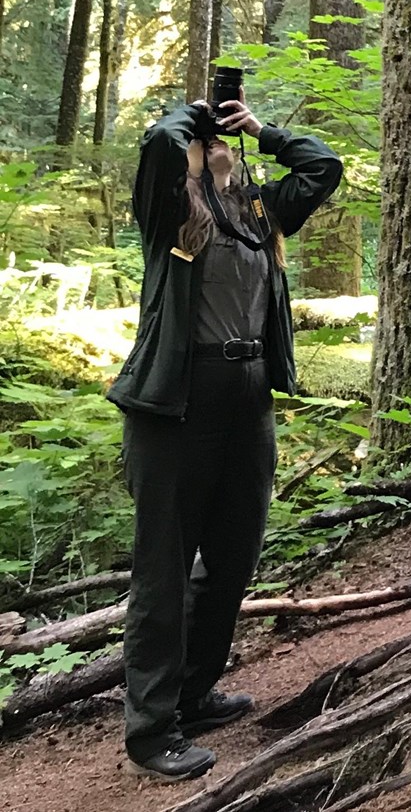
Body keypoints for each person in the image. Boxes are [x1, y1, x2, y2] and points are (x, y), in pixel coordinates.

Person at [108, 95, 342, 780]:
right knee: (165, 566)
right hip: (175, 405)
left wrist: (262, 131)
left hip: (249, 400)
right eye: (205, 143)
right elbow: (157, 145)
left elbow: (323, 168)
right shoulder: (170, 213)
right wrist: (195, 115)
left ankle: (193, 693)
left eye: (222, 143)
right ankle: (151, 731)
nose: (216, 148)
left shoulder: (261, 212)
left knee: (234, 557)